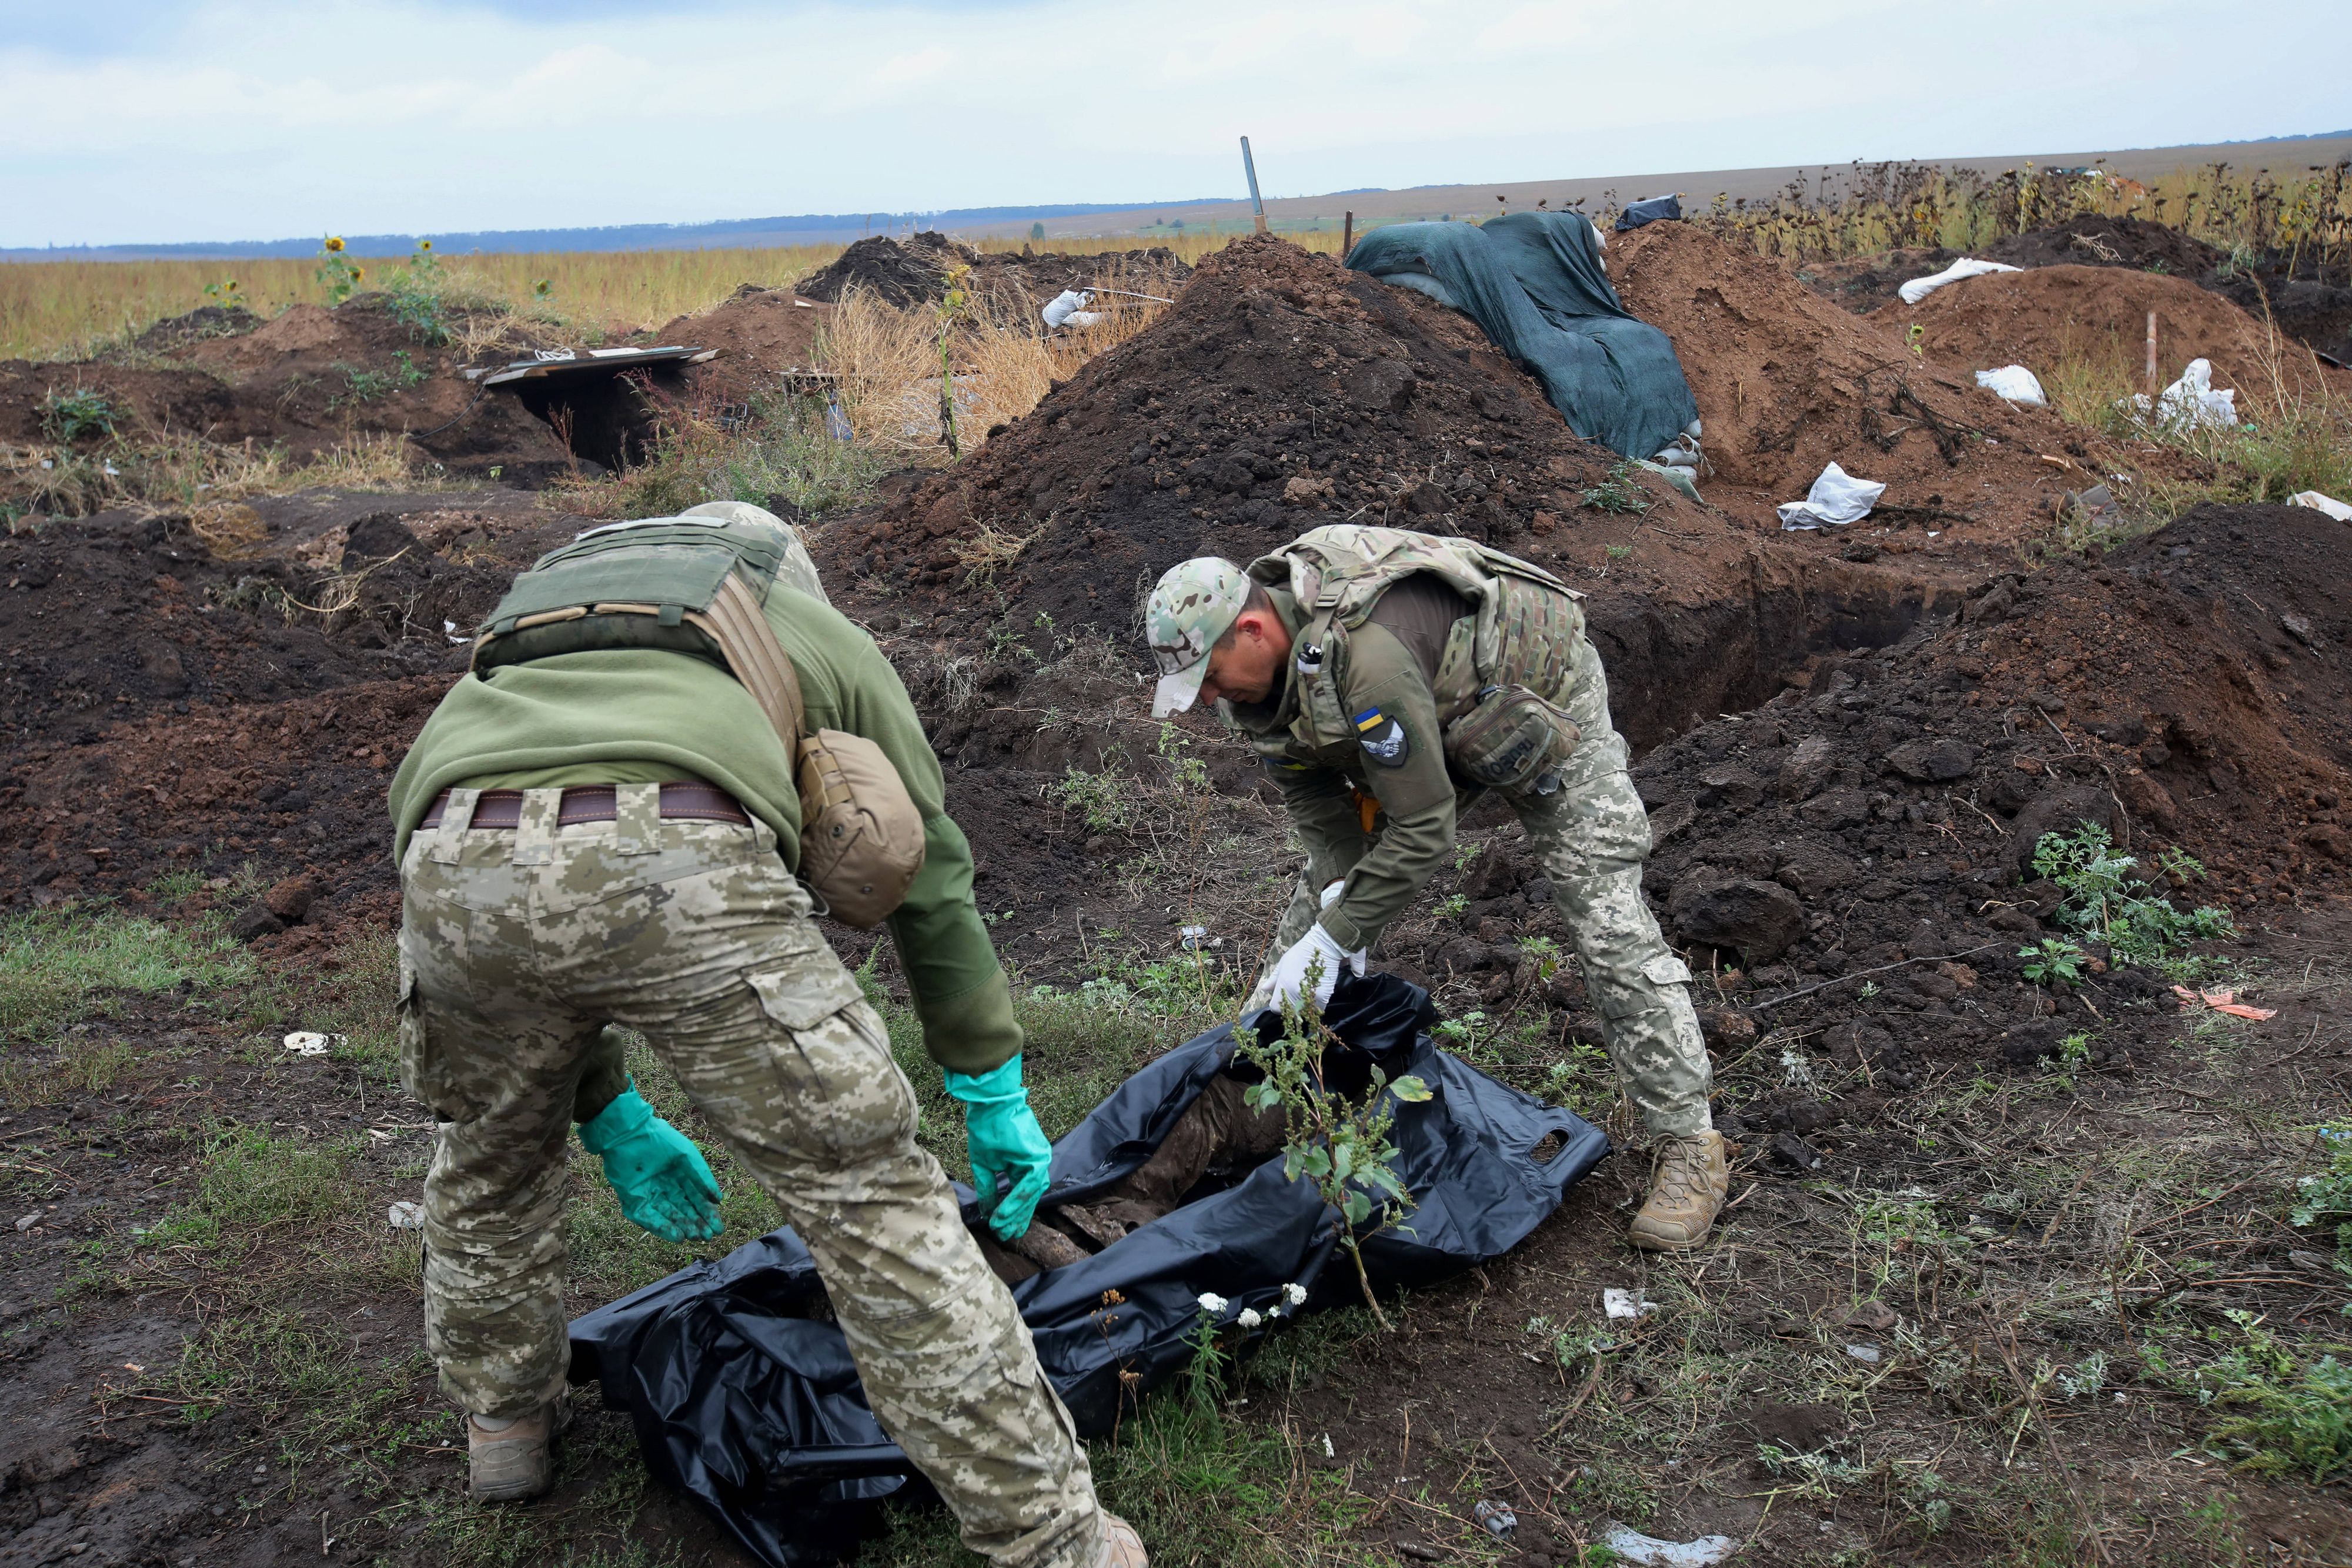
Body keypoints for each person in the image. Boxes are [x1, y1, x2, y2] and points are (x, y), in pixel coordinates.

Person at [387, 502, 1142, 1567]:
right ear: (780, 569)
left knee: (488, 1165)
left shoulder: (530, 630)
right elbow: (926, 868)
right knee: (869, 1200)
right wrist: (988, 1082)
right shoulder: (793, 622)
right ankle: (1053, 1536)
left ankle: (504, 1426)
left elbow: (534, 886)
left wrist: (608, 1111)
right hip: (680, 854)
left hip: (452, 860)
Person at [1144, 526, 1729, 1253]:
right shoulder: (1253, 691)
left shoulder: (1369, 663)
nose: (1205, 700)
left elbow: (1424, 829)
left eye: (1207, 675)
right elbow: (1325, 821)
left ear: (1254, 629)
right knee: (1306, 940)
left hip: (1537, 708)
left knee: (1605, 920)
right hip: (1428, 731)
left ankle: (1689, 1146)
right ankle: (1253, 1114)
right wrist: (1332, 916)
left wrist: (1340, 935)